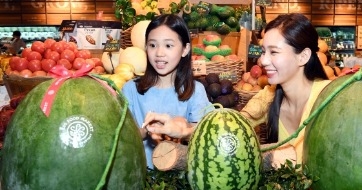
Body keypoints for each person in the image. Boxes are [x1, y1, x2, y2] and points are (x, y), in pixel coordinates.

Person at [142, 13, 331, 166]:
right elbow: (228, 126)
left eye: (273, 52)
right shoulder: (269, 97)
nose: (263, 61)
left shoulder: (329, 99)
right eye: (263, 51)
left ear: (303, 56)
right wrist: (184, 129)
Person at [122, 14, 213, 169]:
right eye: (152, 45)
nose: (159, 53)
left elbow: (206, 133)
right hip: (140, 175)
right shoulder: (130, 89)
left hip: (181, 181)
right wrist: (145, 130)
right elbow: (121, 139)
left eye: (168, 46)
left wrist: (182, 130)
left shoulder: (195, 91)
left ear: (185, 49)